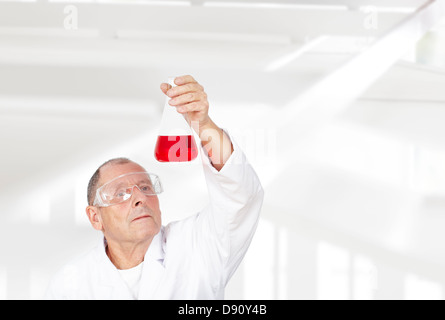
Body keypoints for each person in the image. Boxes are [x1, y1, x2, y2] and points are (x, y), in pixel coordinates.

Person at [45, 75, 264, 300]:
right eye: (121, 193)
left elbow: (240, 197)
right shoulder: (70, 284)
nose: (139, 197)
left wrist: (203, 124)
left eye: (146, 187)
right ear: (95, 217)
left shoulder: (195, 246)